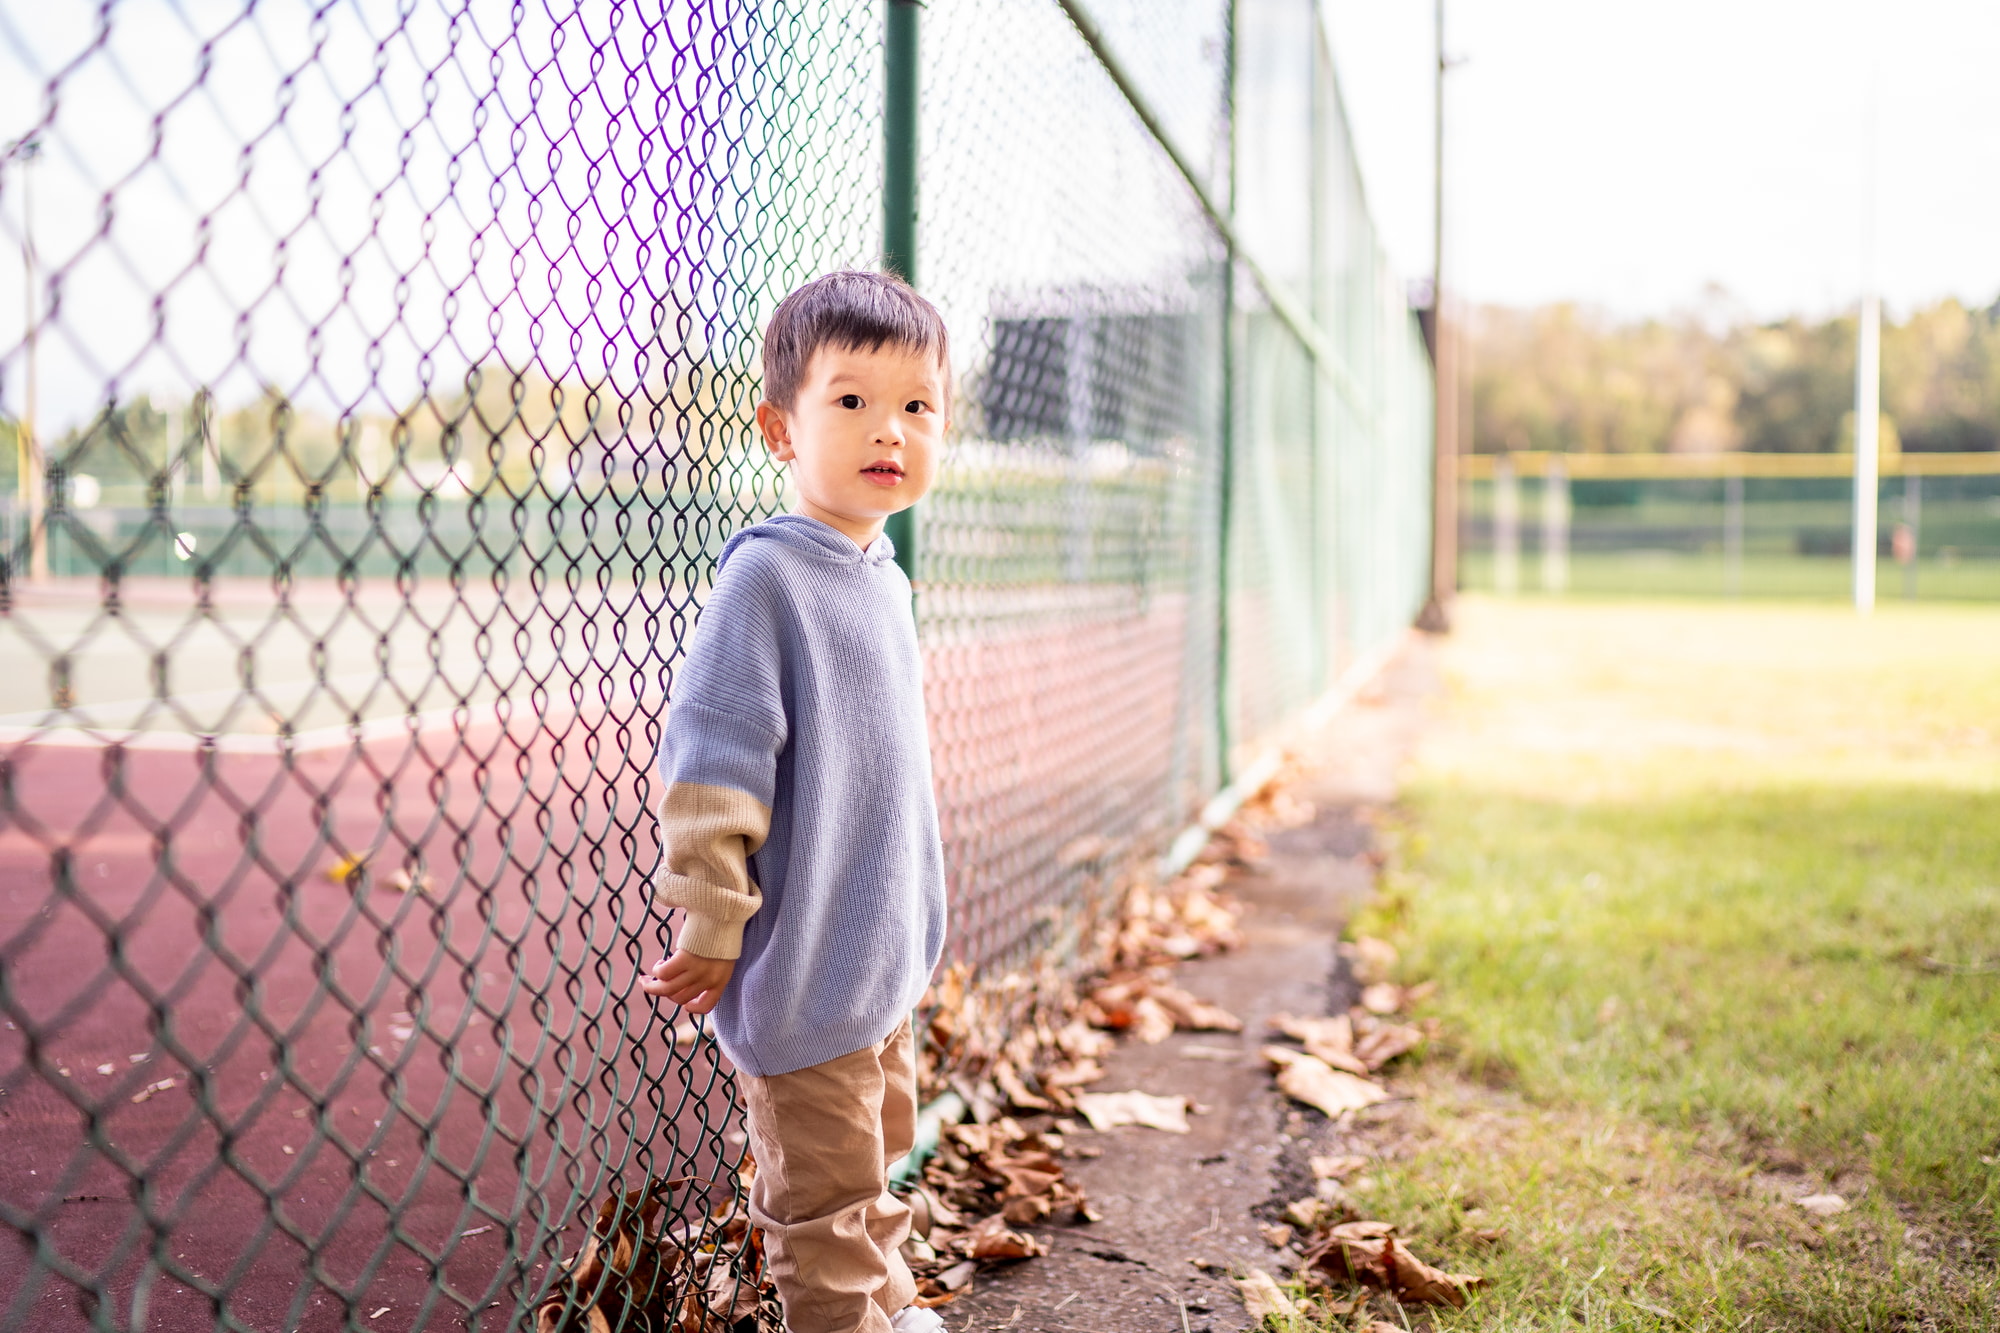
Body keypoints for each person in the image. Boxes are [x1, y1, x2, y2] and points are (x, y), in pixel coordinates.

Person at [641, 269, 951, 1333]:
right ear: (780, 428)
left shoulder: (882, 574)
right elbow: (713, 764)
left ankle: (887, 1298)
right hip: (806, 956)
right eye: (853, 400)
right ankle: (843, 1319)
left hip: (878, 960)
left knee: (877, 1155)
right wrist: (715, 916)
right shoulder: (765, 581)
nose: (890, 431)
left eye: (917, 406)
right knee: (818, 1195)